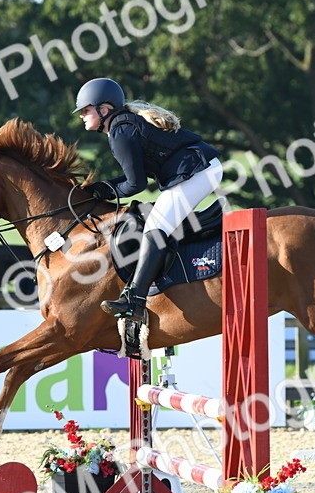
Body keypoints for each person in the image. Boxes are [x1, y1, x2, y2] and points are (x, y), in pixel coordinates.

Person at [73, 77, 223, 319]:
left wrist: (107, 191)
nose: (81, 115)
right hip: (198, 169)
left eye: (86, 110)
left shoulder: (120, 131)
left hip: (199, 171)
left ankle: (135, 300)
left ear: (104, 110)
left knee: (155, 226)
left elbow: (136, 184)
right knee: (158, 221)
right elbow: (134, 178)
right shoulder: (121, 125)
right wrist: (105, 187)